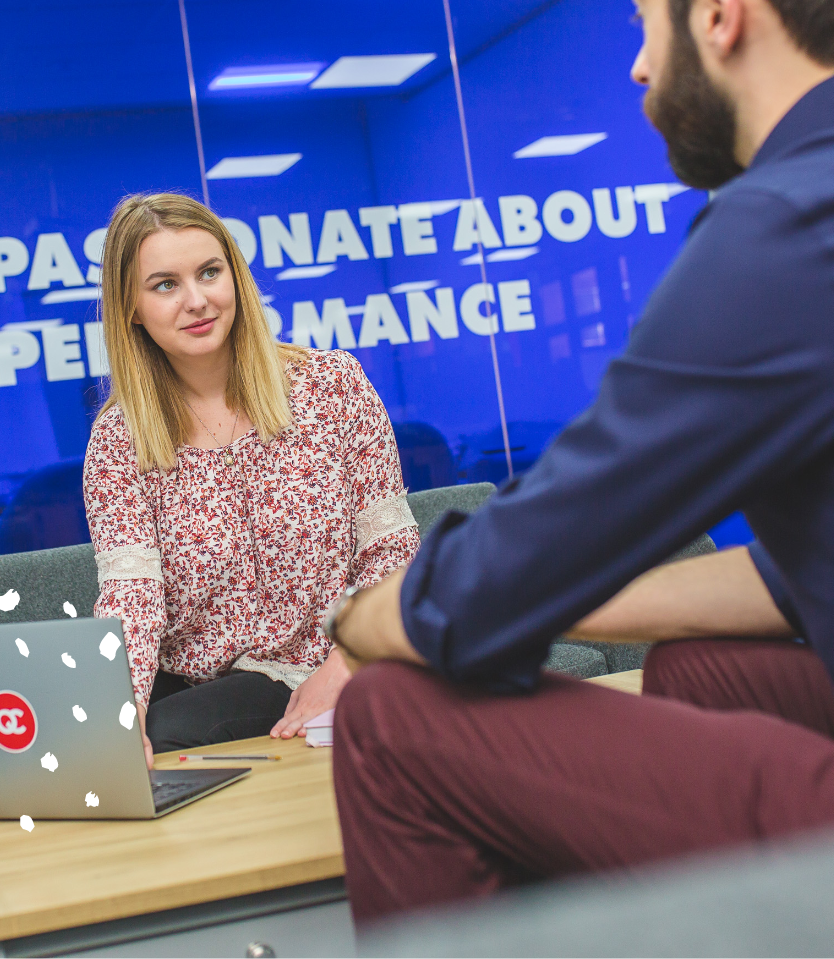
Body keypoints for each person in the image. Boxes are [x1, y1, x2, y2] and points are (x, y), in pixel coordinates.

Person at [322, 0, 834, 923]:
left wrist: (364, 617)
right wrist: (565, 588)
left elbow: (476, 596)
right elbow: (800, 575)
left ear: (720, 16)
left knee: (389, 719)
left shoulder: (786, 226)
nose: (639, 68)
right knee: (700, 671)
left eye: (644, 23)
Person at [82, 192, 420, 768]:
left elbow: (391, 549)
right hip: (192, 677)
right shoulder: (120, 438)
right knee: (98, 739)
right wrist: (124, 710)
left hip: (322, 658)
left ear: (235, 277)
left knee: (172, 733)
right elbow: (131, 596)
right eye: (164, 284)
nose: (197, 300)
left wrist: (348, 663)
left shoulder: (331, 385)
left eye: (210, 273)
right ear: (131, 308)